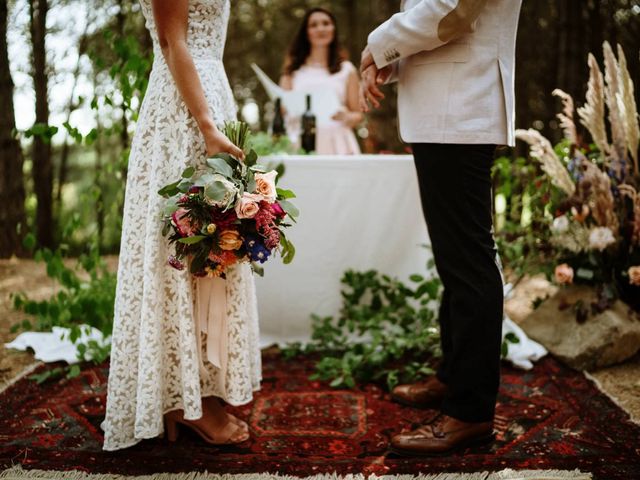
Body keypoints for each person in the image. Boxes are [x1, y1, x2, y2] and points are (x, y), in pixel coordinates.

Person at [359, 0, 523, 456]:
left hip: (462, 107)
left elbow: (453, 10)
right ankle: (454, 376)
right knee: (455, 259)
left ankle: (470, 412)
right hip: (448, 106)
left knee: (468, 259)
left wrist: (378, 44)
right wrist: (390, 57)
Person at [101, 0, 261, 450]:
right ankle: (179, 399)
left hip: (211, 93)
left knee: (215, 245)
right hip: (184, 109)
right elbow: (173, 42)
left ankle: (200, 388)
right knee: (184, 243)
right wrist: (206, 124)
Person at [279, 7, 363, 155]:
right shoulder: (292, 70)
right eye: (314, 25)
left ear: (334, 29)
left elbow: (358, 114)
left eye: (326, 23)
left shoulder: (347, 70)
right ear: (306, 32)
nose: (321, 28)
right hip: (301, 143)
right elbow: (281, 109)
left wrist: (347, 117)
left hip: (338, 143)